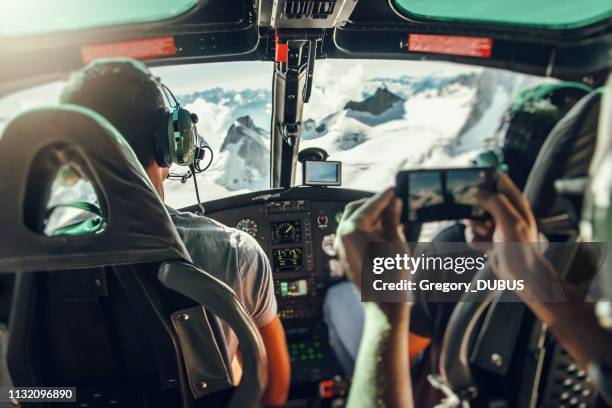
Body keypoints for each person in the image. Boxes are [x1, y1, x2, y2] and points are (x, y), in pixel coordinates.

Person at [323, 82, 592, 384]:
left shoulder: (454, 248)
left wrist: (381, 300)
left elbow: (403, 351)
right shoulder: (594, 263)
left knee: (338, 297)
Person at [59, 58, 290, 406]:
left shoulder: (27, 269)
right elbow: (272, 384)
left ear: (72, 158)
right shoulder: (235, 253)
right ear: (169, 143)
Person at [335, 172, 612, 407]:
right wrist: (528, 271)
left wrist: (385, 307)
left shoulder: (453, 247)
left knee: (336, 300)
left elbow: (409, 346)